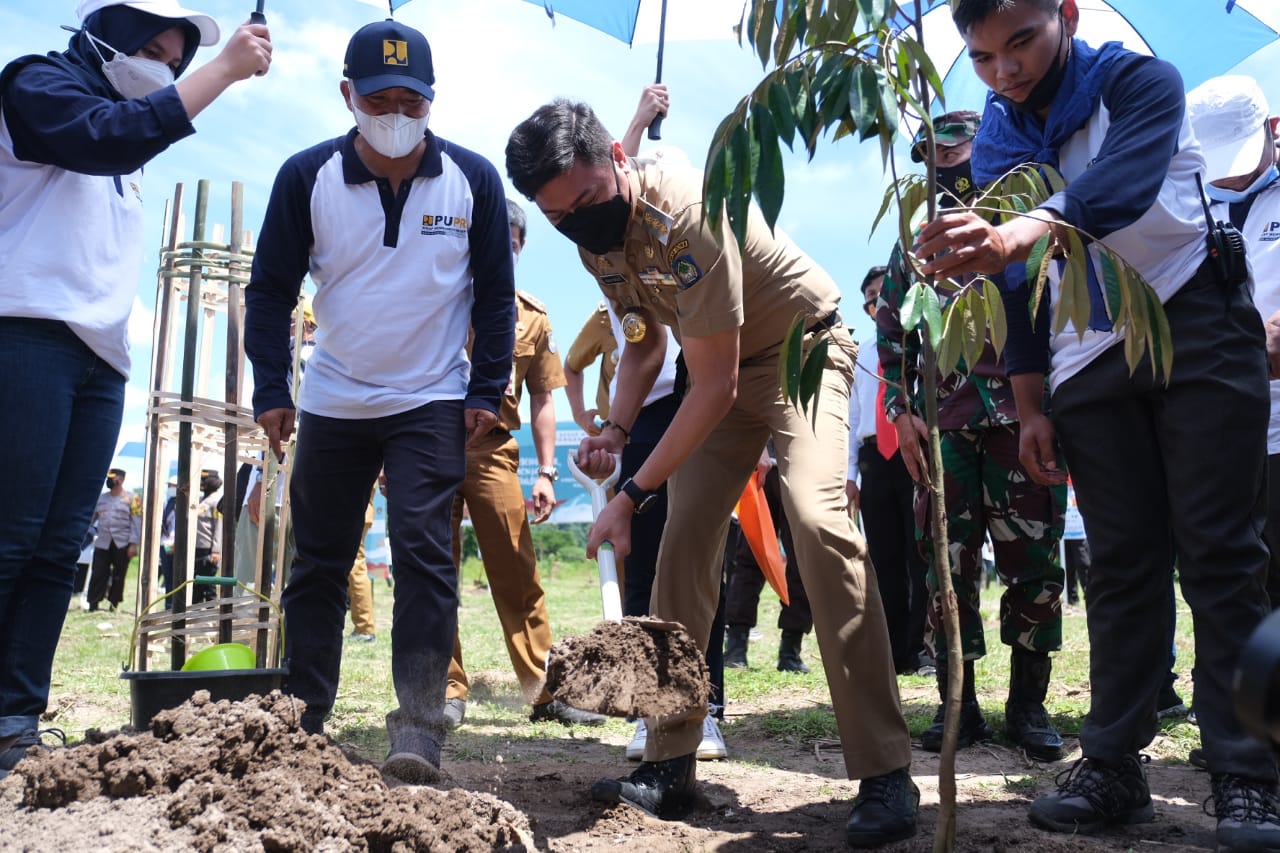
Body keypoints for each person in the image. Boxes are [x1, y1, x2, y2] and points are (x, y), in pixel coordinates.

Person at [507, 99, 916, 847]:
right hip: (718, 368)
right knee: (686, 542)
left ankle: (885, 769)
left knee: (817, 519)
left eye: (590, 201)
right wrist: (618, 430)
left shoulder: (686, 213)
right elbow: (643, 344)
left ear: (618, 160)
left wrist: (631, 492)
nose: (580, 223)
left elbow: (716, 384)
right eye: (561, 216)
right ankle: (669, 761)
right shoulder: (590, 239)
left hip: (802, 350)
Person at [917, 0, 1278, 843]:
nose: (1005, 71)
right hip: (1086, 354)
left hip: (1195, 319)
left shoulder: (1142, 84)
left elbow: (1118, 188)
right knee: (1120, 560)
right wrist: (1031, 403)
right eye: (981, 57)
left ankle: (1245, 773)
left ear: (1067, 15)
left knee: (1220, 549)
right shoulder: (1001, 138)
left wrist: (1016, 234)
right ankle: (1112, 763)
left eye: (1022, 43)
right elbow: (1015, 288)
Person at [0, 0, 271, 779]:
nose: (163, 65)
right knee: (11, 535)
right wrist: (223, 73)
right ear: (103, 35)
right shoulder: (39, 85)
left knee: (56, 548)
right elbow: (100, 140)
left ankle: (14, 718)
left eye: (176, 57)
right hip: (24, 333)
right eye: (149, 47)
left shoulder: (131, 131)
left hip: (98, 357)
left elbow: (126, 141)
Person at [245, 19, 514, 786]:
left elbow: (495, 296)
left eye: (411, 100)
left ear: (432, 100)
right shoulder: (307, 178)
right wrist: (272, 388)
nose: (397, 113)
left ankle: (421, 727)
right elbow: (269, 293)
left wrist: (485, 389)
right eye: (380, 98)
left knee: (426, 561)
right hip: (332, 398)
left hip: (431, 397)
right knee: (320, 562)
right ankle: (303, 718)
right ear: (347, 96)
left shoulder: (474, 181)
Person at [878, 111, 1067, 761]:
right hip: (947, 428)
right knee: (945, 569)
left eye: (951, 149)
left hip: (1023, 421)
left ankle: (1029, 704)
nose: (941, 164)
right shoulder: (916, 239)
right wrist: (902, 411)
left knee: (1035, 562)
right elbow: (893, 333)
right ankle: (959, 704)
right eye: (928, 155)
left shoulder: (1024, 219)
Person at [445, 198, 605, 729]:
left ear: (519, 247)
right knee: (432, 574)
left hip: (492, 452)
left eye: (508, 245)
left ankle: (543, 690)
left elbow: (543, 398)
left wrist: (545, 470)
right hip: (427, 447)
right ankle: (444, 689)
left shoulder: (531, 317)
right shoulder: (433, 298)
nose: (498, 252)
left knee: (518, 572)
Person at [847, 267, 932, 677]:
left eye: (884, 293)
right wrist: (850, 474)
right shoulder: (861, 353)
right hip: (872, 459)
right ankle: (893, 653)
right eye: (870, 298)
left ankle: (921, 649)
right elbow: (852, 415)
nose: (878, 302)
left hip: (913, 450)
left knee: (920, 552)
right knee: (883, 558)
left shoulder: (919, 343)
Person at [723, 442, 814, 673]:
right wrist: (758, 448)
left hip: (799, 466)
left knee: (801, 560)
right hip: (767, 467)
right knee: (750, 556)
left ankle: (789, 650)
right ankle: (736, 646)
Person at [86, 467, 140, 612]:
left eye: (113, 478)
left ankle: (113, 604)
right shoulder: (102, 498)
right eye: (108, 478)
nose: (109, 481)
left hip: (122, 543)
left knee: (119, 574)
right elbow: (91, 519)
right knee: (98, 572)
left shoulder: (132, 498)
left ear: (121, 480)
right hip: (103, 542)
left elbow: (136, 522)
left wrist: (133, 544)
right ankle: (93, 603)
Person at [563, 301, 617, 435]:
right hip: (616, 434)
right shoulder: (609, 315)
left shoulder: (672, 306)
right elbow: (572, 366)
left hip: (669, 425)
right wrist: (579, 414)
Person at [191, 468, 222, 603]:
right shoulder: (202, 500)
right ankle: (195, 614)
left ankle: (210, 613)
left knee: (209, 584)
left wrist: (216, 550)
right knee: (197, 584)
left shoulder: (216, 501)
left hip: (208, 549)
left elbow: (219, 526)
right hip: (197, 547)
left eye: (204, 480)